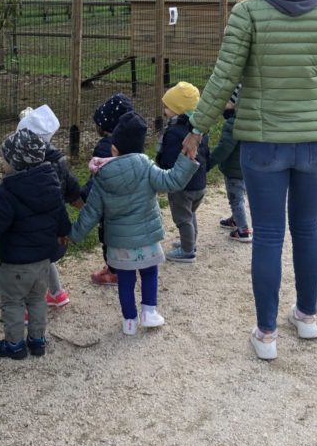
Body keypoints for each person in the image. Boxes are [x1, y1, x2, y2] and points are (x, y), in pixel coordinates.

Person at [181, 0, 317, 361]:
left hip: (264, 142)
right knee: (308, 230)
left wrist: (197, 126)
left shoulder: (249, 13)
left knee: (270, 236)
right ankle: (308, 318)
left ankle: (267, 334)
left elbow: (223, 79)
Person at [69, 111, 200, 335]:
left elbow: (91, 211)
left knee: (126, 281)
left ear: (114, 149)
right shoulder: (146, 166)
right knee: (149, 273)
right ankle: (149, 312)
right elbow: (172, 180)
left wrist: (72, 235)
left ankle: (129, 321)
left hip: (119, 245)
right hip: (147, 239)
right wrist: (185, 160)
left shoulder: (102, 176)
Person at [0, 128, 71, 359]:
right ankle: (37, 340)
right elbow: (61, 214)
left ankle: (14, 345)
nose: (1, 162)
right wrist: (63, 232)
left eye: (4, 158)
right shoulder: (51, 183)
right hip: (42, 262)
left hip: (14, 264)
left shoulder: (8, 192)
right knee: (37, 301)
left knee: (12, 304)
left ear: (15, 162)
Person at [17, 104, 83, 307]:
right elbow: (72, 189)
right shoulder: (58, 161)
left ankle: (27, 306)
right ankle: (56, 293)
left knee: (28, 263)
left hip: (33, 227)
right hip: (54, 225)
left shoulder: (28, 167)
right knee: (46, 257)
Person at [82, 93, 135, 286]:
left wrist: (83, 195)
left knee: (109, 236)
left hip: (111, 203)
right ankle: (124, 266)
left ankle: (114, 272)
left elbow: (98, 177)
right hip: (130, 200)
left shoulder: (105, 147)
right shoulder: (132, 142)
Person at [156, 82, 210, 262]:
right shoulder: (199, 130)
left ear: (178, 110)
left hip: (183, 186)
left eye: (168, 107)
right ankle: (190, 243)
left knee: (183, 218)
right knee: (190, 214)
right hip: (199, 183)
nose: (164, 109)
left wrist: (162, 168)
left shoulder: (174, 132)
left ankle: (187, 252)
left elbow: (169, 157)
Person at [208, 88, 251, 242]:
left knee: (236, 198)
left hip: (234, 170)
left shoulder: (233, 124)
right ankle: (235, 219)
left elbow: (224, 148)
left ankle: (243, 230)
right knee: (239, 195)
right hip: (246, 168)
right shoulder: (249, 121)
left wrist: (209, 162)